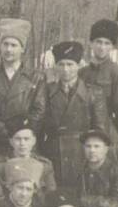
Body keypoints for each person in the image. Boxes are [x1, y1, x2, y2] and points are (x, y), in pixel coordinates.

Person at [0, 18, 47, 168]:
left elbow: (39, 111)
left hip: (23, 146)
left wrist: (19, 133)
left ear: (22, 49)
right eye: (5, 44)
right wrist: (2, 130)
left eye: (14, 45)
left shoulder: (36, 78)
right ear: (0, 46)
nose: (9, 49)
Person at [41, 40, 109, 188]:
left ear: (79, 66)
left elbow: (100, 130)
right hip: (53, 153)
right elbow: (39, 124)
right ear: (56, 66)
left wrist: (96, 156)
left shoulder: (93, 92)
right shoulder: (46, 91)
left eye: (70, 64)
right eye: (61, 64)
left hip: (82, 153)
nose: (66, 69)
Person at [79, 19, 118, 151]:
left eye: (107, 43)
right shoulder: (82, 73)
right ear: (91, 43)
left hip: (107, 134)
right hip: (84, 133)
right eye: (98, 42)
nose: (102, 47)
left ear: (112, 46)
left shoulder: (117, 73)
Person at [0, 119, 57, 207]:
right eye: (18, 139)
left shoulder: (44, 165)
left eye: (26, 139)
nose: (22, 143)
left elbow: (51, 196)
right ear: (11, 141)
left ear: (34, 141)